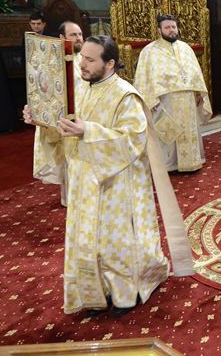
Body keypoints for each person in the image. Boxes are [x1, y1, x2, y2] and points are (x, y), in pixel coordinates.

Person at [26, 36, 170, 315]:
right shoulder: (79, 90)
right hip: (83, 179)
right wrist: (41, 121)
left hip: (116, 183)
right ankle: (96, 291)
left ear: (110, 63)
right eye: (82, 57)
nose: (82, 64)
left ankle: (125, 293)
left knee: (114, 242)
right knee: (87, 240)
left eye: (90, 60)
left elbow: (133, 139)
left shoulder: (125, 95)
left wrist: (88, 131)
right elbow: (64, 128)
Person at [132, 14, 211, 173]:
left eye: (173, 27)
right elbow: (143, 77)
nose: (171, 30)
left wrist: (197, 93)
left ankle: (193, 161)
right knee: (168, 131)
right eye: (167, 27)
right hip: (165, 99)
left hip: (187, 97)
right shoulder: (149, 51)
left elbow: (195, 72)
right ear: (159, 30)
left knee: (189, 130)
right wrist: (150, 100)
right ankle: (171, 165)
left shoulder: (186, 48)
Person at [33, 21, 86, 206]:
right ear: (62, 38)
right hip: (64, 117)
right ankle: (71, 199)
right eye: (73, 35)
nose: (79, 38)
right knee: (68, 158)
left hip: (85, 116)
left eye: (80, 34)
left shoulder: (85, 58)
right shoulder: (53, 61)